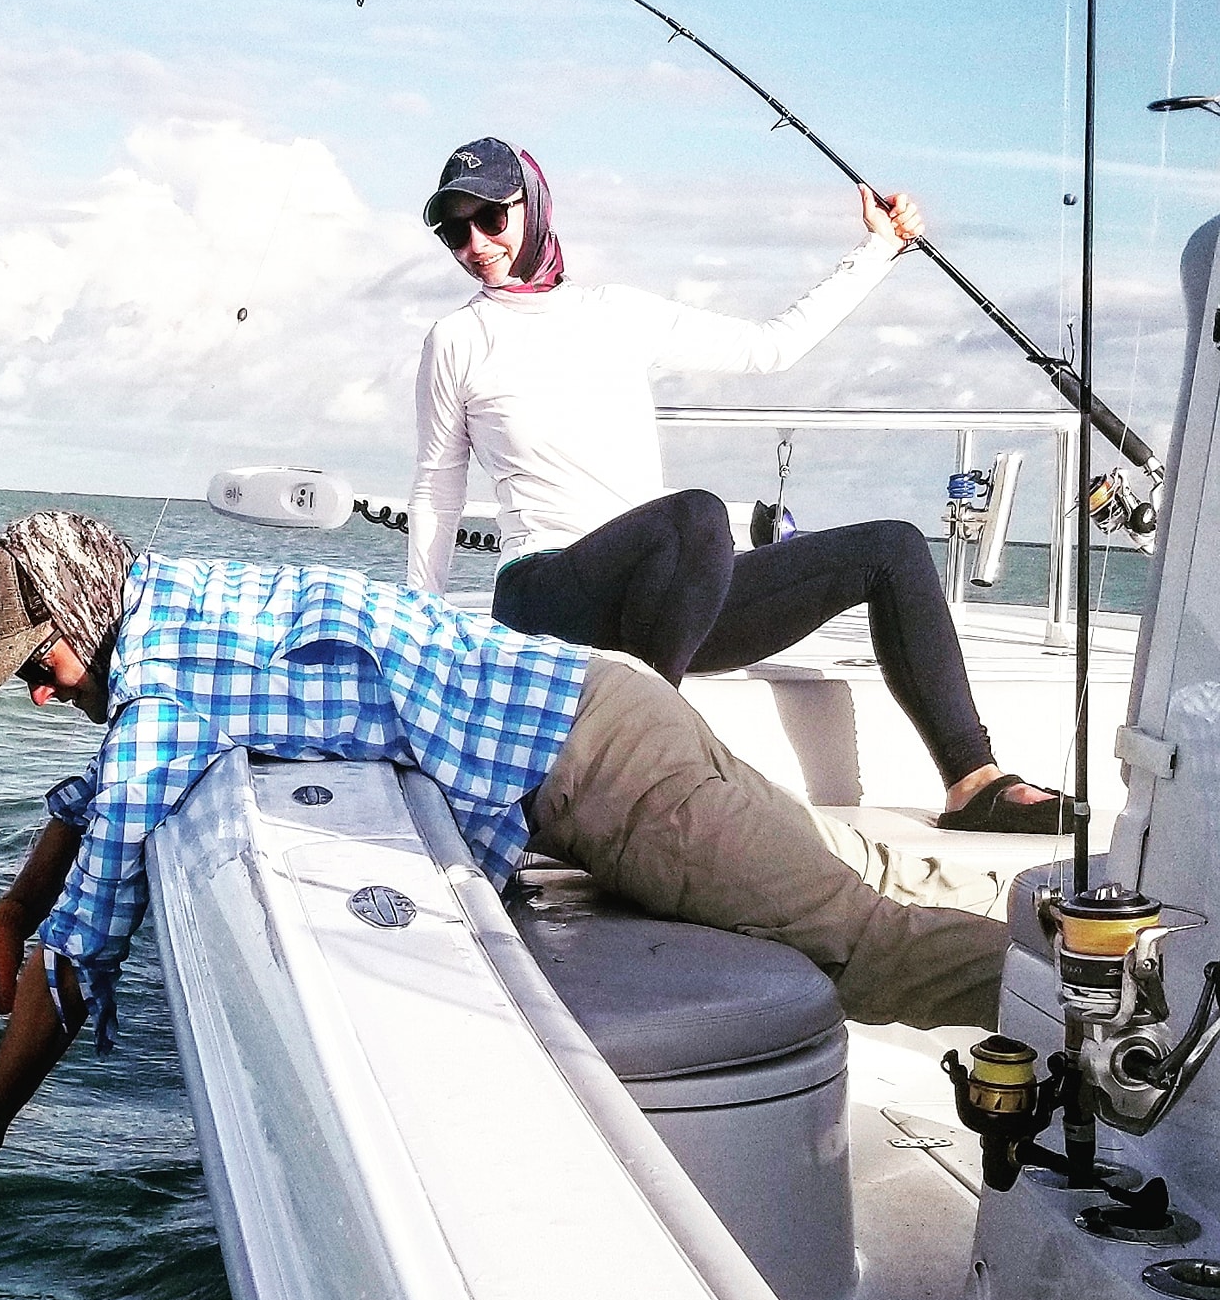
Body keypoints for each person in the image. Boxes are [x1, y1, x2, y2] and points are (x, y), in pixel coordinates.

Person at [0, 508, 1010, 1212]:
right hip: (604, 701)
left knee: (863, 952)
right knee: (861, 871)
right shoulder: (178, 600)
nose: (38, 691)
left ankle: (1089, 1007)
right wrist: (2, 917)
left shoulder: (163, 689)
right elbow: (98, 800)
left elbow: (83, 947)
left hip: (605, 773)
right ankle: (1052, 932)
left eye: (39, 663)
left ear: (84, 604)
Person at [407, 136, 1070, 835]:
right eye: (454, 231)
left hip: (659, 606)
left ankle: (974, 781)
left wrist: (877, 251)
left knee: (895, 548)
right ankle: (633, 770)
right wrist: (421, 634)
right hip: (549, 591)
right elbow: (435, 489)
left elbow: (771, 347)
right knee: (695, 515)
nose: (475, 243)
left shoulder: (616, 313)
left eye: (491, 219)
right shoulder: (457, 340)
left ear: (534, 207)